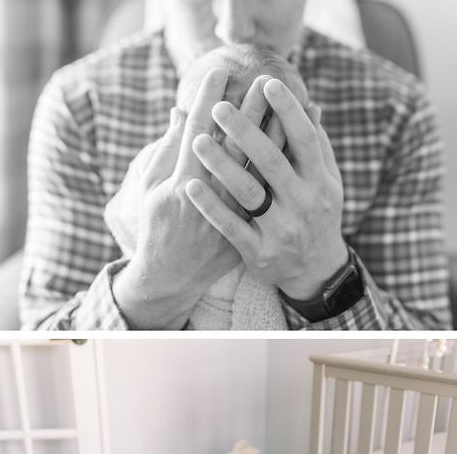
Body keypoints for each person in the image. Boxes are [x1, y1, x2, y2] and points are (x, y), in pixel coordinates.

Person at [20, 0, 450, 332]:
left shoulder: (394, 113)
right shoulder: (79, 108)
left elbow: (435, 355)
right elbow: (38, 354)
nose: (233, 24)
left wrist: (323, 273)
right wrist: (151, 284)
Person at [105, 42, 311, 328]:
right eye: (226, 118)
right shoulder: (164, 165)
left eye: (269, 122)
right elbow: (123, 217)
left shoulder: (303, 179)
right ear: (188, 125)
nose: (251, 138)